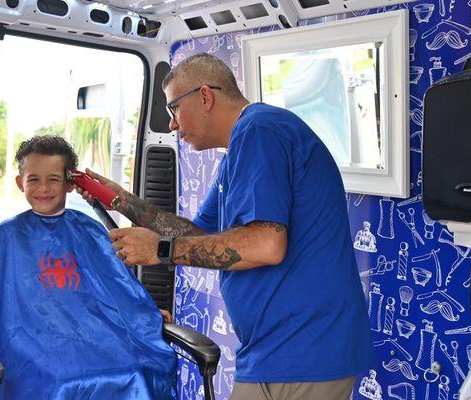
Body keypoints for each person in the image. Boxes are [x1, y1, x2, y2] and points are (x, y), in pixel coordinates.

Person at [76, 53, 374, 400]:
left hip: (306, 349)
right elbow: (197, 235)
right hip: (275, 349)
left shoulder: (260, 129)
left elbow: (265, 245)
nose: (171, 124)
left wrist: (159, 250)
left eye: (173, 108)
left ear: (205, 96)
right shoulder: (239, 151)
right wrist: (121, 200)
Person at [0, 135, 176, 399]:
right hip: (31, 343)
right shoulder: (6, 235)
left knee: (136, 369)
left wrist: (143, 312)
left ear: (69, 184)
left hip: (92, 339)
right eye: (34, 179)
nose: (44, 188)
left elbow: (116, 285)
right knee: (58, 382)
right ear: (21, 183)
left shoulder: (89, 230)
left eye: (53, 179)